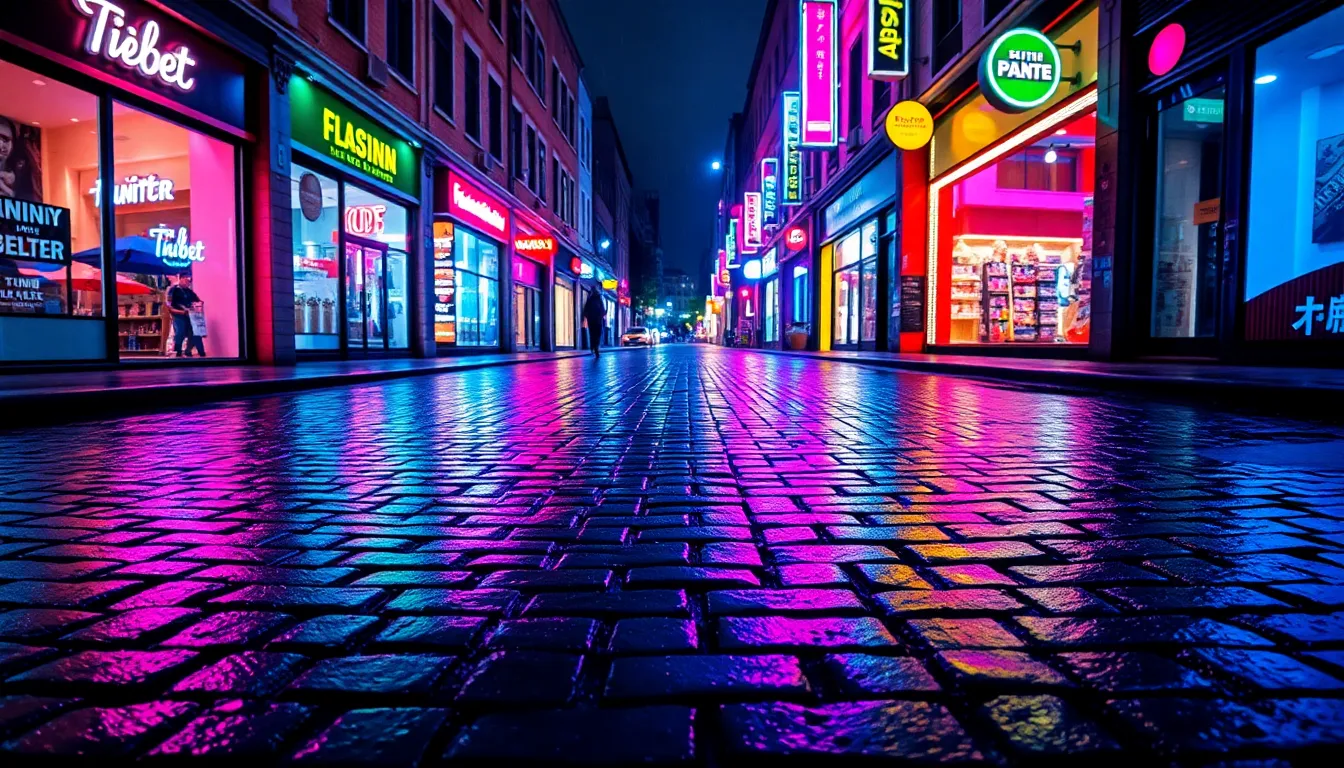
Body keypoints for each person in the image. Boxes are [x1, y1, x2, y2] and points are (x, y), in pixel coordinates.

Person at [167, 273, 205, 358]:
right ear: (180, 279)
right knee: (180, 332)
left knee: (194, 333)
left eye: (189, 280)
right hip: (178, 314)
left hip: (190, 315)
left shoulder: (189, 291)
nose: (188, 282)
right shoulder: (173, 290)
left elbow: (198, 300)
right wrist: (180, 311)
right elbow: (169, 305)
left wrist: (198, 304)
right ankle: (178, 352)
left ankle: (190, 351)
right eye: (186, 279)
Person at [582, 286, 606, 359]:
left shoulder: (590, 299)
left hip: (592, 321)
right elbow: (603, 310)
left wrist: (588, 316)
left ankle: (593, 347)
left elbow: (585, 310)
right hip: (598, 321)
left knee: (592, 334)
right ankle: (595, 348)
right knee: (597, 335)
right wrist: (601, 315)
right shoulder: (599, 299)